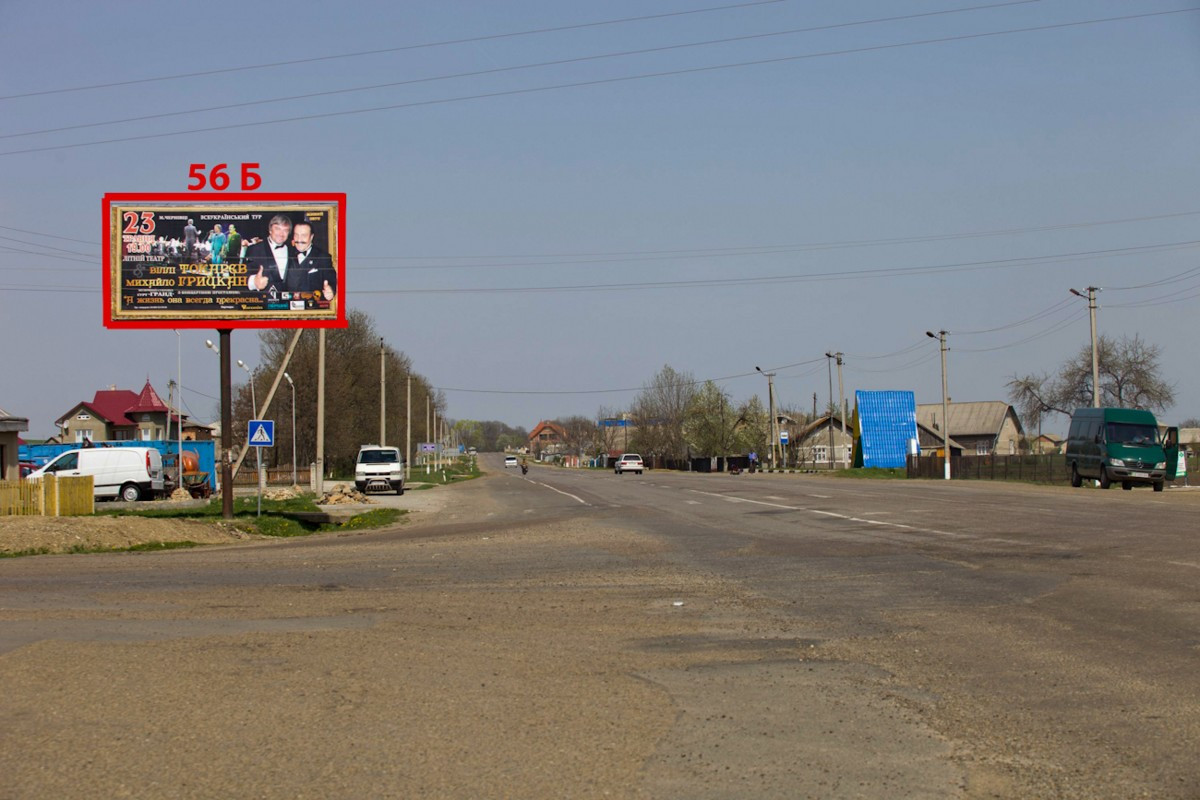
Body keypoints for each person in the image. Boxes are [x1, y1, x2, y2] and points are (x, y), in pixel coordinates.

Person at [244, 215, 296, 294]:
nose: (281, 234)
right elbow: (242, 275)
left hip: (287, 301)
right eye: (277, 228)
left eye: (285, 230)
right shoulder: (254, 249)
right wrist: (254, 282)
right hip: (262, 301)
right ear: (270, 230)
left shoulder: (293, 250)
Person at [290, 221, 337, 300]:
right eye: (296, 235)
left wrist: (331, 290)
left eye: (303, 235)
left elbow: (331, 279)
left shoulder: (323, 257)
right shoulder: (286, 253)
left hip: (312, 308)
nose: (299, 239)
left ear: (311, 237)